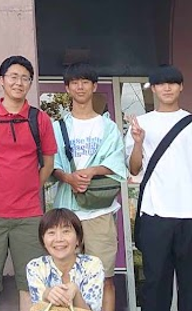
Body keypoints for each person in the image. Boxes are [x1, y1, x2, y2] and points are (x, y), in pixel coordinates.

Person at [0, 55, 58, 311]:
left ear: (30, 83)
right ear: (2, 80)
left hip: (29, 215)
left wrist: (30, 188)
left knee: (31, 284)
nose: (19, 83)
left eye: (25, 78)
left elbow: (48, 164)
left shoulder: (40, 119)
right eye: (13, 77)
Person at [125, 64, 192, 311]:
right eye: (161, 83)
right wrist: (138, 142)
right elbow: (134, 169)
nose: (167, 88)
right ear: (153, 89)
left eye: (172, 83)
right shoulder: (141, 124)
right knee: (155, 286)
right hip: (154, 214)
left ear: (181, 87)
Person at [49, 63, 127, 311]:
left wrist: (92, 171)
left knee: (105, 278)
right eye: (74, 82)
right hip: (67, 212)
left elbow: (117, 162)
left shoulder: (108, 127)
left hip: (100, 213)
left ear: (94, 87)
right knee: (66, 279)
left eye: (85, 82)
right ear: (67, 88)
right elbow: (51, 165)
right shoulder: (58, 127)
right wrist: (68, 177)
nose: (80, 87)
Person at [26, 208, 104, 311]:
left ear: (78, 239)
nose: (59, 239)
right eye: (51, 233)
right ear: (43, 240)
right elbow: (39, 307)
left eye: (66, 231)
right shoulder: (36, 267)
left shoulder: (92, 265)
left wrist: (76, 292)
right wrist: (46, 294)